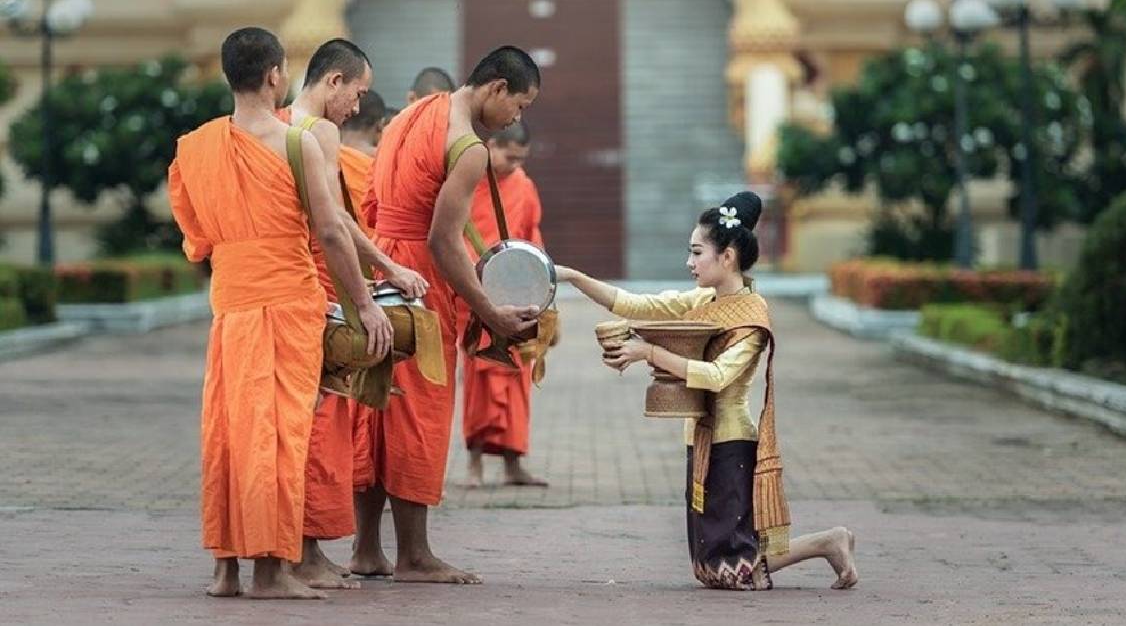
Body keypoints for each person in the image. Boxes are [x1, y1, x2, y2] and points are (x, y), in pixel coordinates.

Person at [167, 26, 391, 600]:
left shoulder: (195, 146)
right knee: (278, 435)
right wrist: (363, 305)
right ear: (275, 76)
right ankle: (269, 570)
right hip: (289, 302)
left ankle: (227, 569)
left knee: (228, 431)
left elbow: (195, 239)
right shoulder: (297, 143)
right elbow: (333, 232)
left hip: (231, 305)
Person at [555, 192, 859, 591]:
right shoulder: (703, 300)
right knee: (712, 564)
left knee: (731, 566)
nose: (689, 262)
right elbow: (635, 303)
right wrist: (574, 278)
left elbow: (717, 376)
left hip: (731, 440)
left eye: (697, 252)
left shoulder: (752, 317)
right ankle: (828, 542)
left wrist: (648, 352)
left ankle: (827, 541)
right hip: (701, 437)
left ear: (728, 256)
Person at [352, 46, 541, 584]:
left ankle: (367, 550)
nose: (516, 120)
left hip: (382, 265)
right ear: (497, 88)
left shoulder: (413, 113)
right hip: (417, 278)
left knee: (377, 406)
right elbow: (442, 240)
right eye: (520, 106)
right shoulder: (468, 147)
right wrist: (490, 312)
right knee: (418, 411)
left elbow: (370, 202)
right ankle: (414, 555)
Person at [279, 39, 428, 590]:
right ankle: (305, 553)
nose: (359, 106)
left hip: (293, 284)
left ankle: (300, 548)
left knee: (305, 422)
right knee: (319, 425)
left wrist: (382, 269)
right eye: (358, 93)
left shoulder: (277, 125)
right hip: (317, 286)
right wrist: (370, 295)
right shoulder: (317, 132)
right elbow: (335, 226)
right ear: (333, 81)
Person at [458, 120, 548, 488]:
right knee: (479, 379)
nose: (513, 165)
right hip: (479, 293)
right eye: (508, 157)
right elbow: (454, 233)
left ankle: (514, 464)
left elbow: (532, 235)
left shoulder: (523, 185)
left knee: (519, 378)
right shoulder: (466, 181)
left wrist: (541, 288)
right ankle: (474, 464)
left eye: (520, 159)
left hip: (518, 293)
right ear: (491, 145)